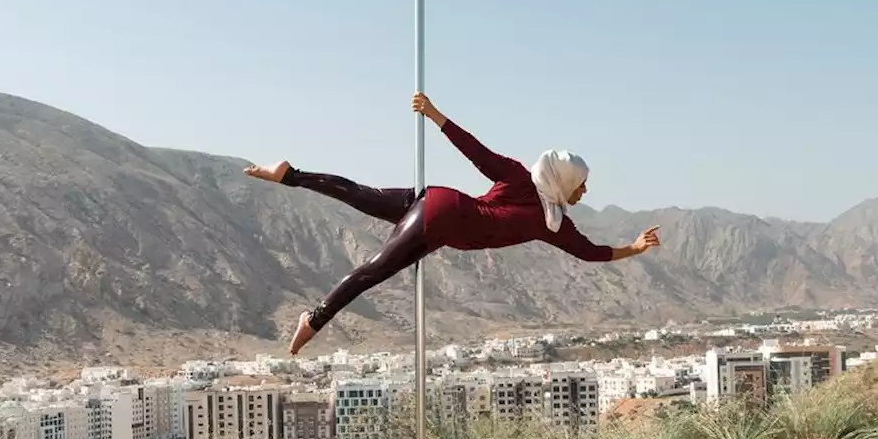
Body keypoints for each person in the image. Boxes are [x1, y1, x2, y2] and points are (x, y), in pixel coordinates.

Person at [244, 92, 662, 356]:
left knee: (358, 192)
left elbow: (476, 153)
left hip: (436, 202)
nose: (584, 194)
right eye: (582, 186)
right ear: (565, 182)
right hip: (440, 219)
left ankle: (290, 174)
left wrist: (435, 114)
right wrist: (635, 249)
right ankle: (313, 320)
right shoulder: (548, 222)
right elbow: (593, 253)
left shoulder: (526, 185)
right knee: (372, 271)